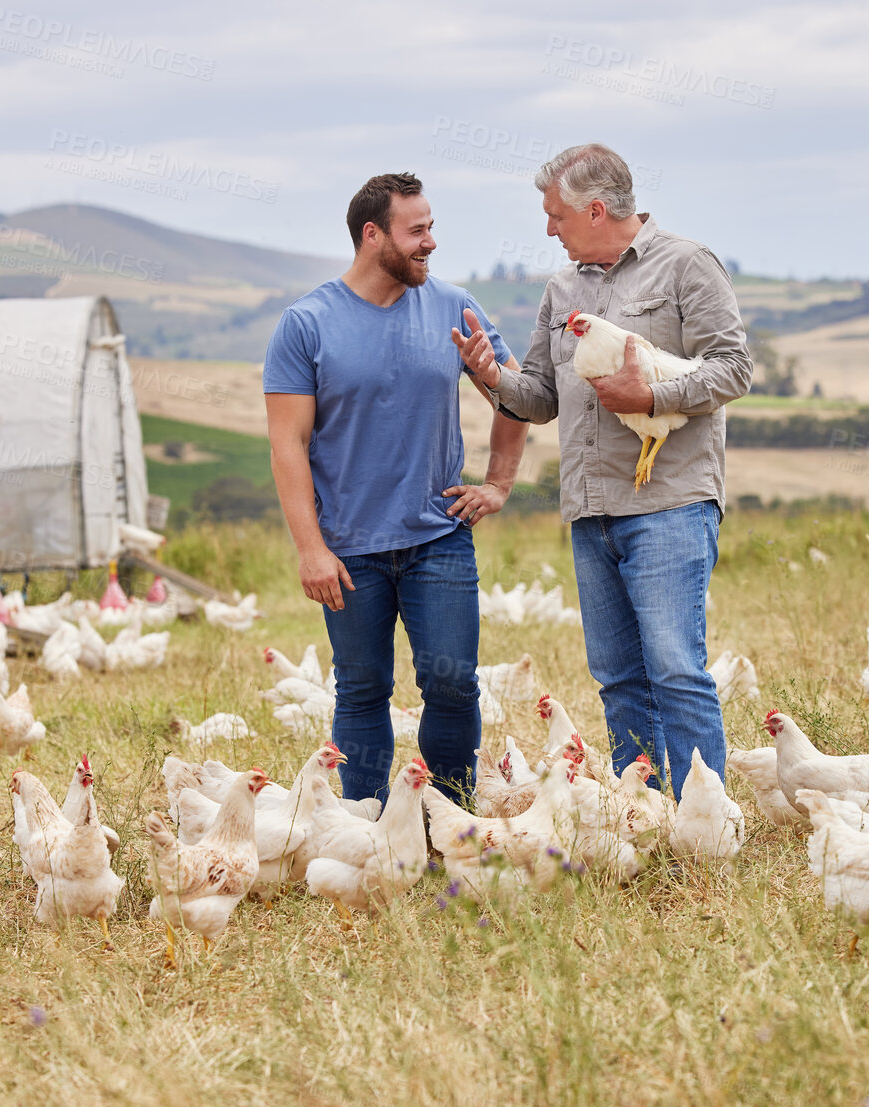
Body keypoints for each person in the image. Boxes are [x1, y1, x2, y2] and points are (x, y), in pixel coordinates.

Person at [452, 144, 752, 796]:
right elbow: (538, 396)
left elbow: (733, 368)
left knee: (675, 667)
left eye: (555, 214)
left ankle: (702, 822)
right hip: (591, 508)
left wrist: (649, 398)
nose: (548, 228)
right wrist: (488, 374)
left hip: (670, 501)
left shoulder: (686, 266)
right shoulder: (563, 288)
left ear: (594, 208)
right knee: (617, 674)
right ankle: (640, 815)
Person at [265, 172, 527, 803]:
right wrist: (310, 548)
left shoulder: (453, 307)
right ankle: (363, 824)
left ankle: (450, 818)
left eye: (432, 227)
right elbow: (287, 444)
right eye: (417, 231)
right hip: (349, 550)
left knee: (453, 685)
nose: (430, 243)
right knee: (361, 690)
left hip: (439, 538)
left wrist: (498, 484)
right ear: (372, 234)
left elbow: (519, 395)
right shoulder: (307, 324)